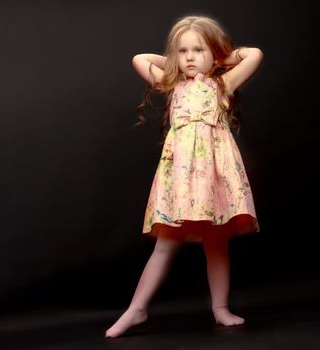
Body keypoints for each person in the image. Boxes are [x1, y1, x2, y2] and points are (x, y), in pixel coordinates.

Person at [105, 15, 263, 338]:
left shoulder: (222, 84)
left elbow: (254, 54)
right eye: (183, 51)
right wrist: (175, 61)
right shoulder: (171, 83)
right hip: (179, 179)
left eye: (198, 50)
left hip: (214, 178)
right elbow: (139, 59)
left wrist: (221, 56)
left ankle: (220, 309)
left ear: (213, 55)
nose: (190, 57)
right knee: (165, 244)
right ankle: (136, 309)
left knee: (216, 242)